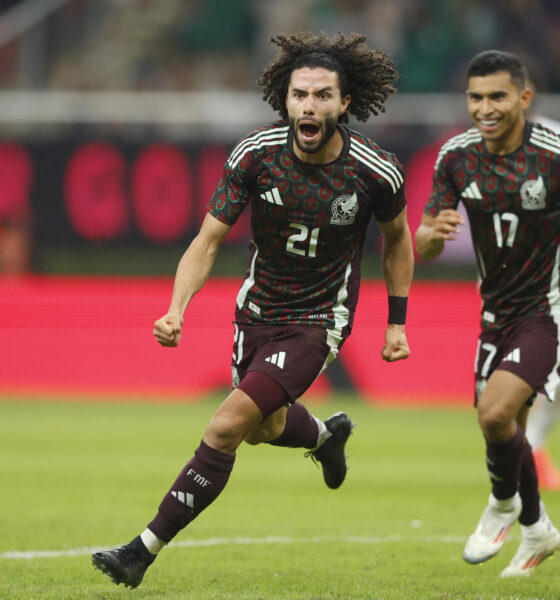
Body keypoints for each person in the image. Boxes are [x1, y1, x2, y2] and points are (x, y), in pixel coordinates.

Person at [92, 31, 414, 589]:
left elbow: (399, 241)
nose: (308, 106)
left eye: (321, 96)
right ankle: (325, 438)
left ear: (344, 104)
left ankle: (140, 551)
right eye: (298, 95)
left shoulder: (374, 171)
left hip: (318, 320)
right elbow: (208, 239)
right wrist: (176, 309)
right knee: (263, 428)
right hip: (255, 313)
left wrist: (396, 322)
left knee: (226, 427)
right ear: (284, 100)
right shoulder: (255, 155)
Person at [415, 49, 560, 578]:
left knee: (494, 413)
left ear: (524, 97)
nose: (485, 107)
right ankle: (539, 530)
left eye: (497, 96)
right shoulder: (455, 156)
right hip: (495, 312)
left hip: (549, 311)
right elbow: (425, 242)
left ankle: (501, 505)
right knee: (508, 432)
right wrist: (432, 235)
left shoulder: (553, 153)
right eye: (476, 97)